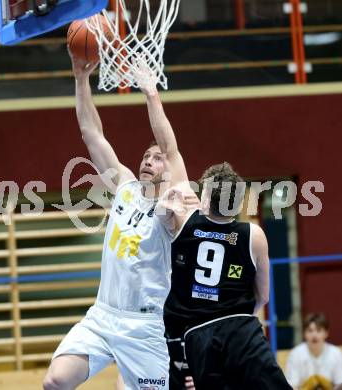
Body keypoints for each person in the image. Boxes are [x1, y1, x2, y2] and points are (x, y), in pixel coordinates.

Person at [131, 59, 292, 390]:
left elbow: (170, 149)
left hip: (198, 337)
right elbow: (262, 295)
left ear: (204, 200)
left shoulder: (186, 220)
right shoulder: (254, 235)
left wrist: (151, 92)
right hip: (241, 329)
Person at [43, 53, 173, 390]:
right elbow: (92, 133)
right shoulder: (126, 187)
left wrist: (151, 94)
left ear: (169, 169)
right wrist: (81, 79)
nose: (149, 161)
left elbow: (172, 152)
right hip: (103, 315)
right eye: (146, 156)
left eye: (157, 159)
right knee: (55, 381)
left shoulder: (173, 208)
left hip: (145, 327)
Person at [285, 313, 342, 390]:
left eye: (318, 330)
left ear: (326, 333)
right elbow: (292, 385)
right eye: (310, 330)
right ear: (304, 333)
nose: (314, 335)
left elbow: (339, 384)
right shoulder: (295, 354)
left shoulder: (336, 353)